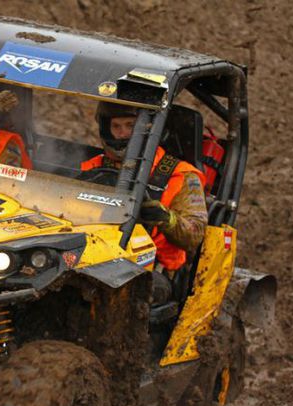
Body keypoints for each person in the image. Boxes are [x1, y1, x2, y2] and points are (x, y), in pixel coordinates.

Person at [81, 103, 209, 300]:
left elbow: (195, 235)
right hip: (92, 257)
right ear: (106, 128)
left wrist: (165, 218)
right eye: (116, 126)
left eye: (130, 125)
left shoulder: (181, 175)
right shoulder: (92, 168)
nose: (122, 134)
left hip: (151, 270)